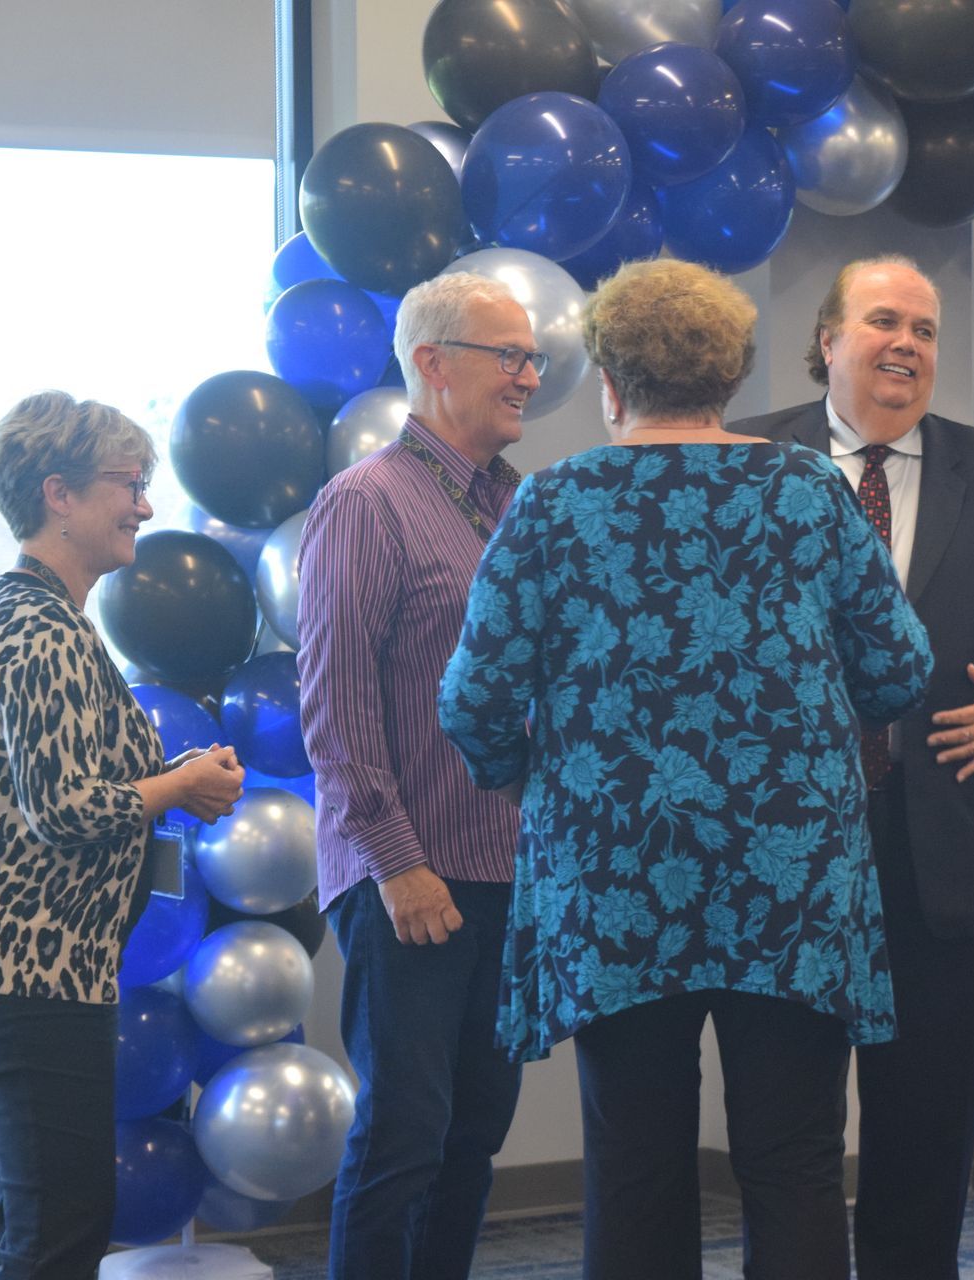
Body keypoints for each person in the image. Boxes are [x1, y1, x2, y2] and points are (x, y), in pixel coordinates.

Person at [436, 258, 934, 1279]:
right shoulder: (808, 490)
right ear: (731, 375)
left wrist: (536, 781)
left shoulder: (554, 503)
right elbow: (900, 669)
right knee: (794, 1159)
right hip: (791, 877)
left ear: (610, 380)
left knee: (634, 1164)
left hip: (616, 874)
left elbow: (473, 699)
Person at [731, 256, 974, 1279]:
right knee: (785, 1130)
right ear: (828, 339)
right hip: (785, 858)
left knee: (927, 1130)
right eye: (884, 321)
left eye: (924, 330)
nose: (908, 344)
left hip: (948, 851)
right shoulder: (748, 459)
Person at [0, 391, 244, 1279]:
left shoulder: (39, 613)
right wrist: (179, 785)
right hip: (22, 964)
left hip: (18, 960)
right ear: (58, 494)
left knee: (30, 1207)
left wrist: (171, 774)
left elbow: (74, 781)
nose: (145, 504)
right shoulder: (40, 627)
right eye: (128, 484)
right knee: (62, 1222)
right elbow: (63, 809)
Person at [298, 272, 538, 1280]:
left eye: (534, 357)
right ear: (433, 363)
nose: (530, 376)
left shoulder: (520, 503)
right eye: (509, 355)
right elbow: (336, 708)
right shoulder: (365, 503)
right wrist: (398, 863)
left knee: (474, 1133)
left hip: (508, 872)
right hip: (411, 877)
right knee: (404, 1133)